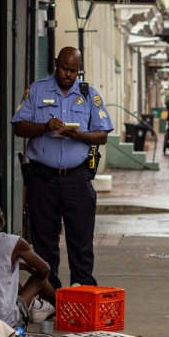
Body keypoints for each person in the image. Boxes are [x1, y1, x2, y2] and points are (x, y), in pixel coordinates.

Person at [12, 46, 113, 290]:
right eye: (64, 68)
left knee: (81, 242)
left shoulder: (89, 95)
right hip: (42, 179)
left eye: (74, 71)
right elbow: (19, 127)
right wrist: (44, 127)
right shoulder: (36, 90)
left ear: (80, 70)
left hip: (77, 178)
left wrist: (81, 135)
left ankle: (82, 293)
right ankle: (49, 297)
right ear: (56, 63)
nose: (68, 74)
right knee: (45, 243)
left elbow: (102, 135)